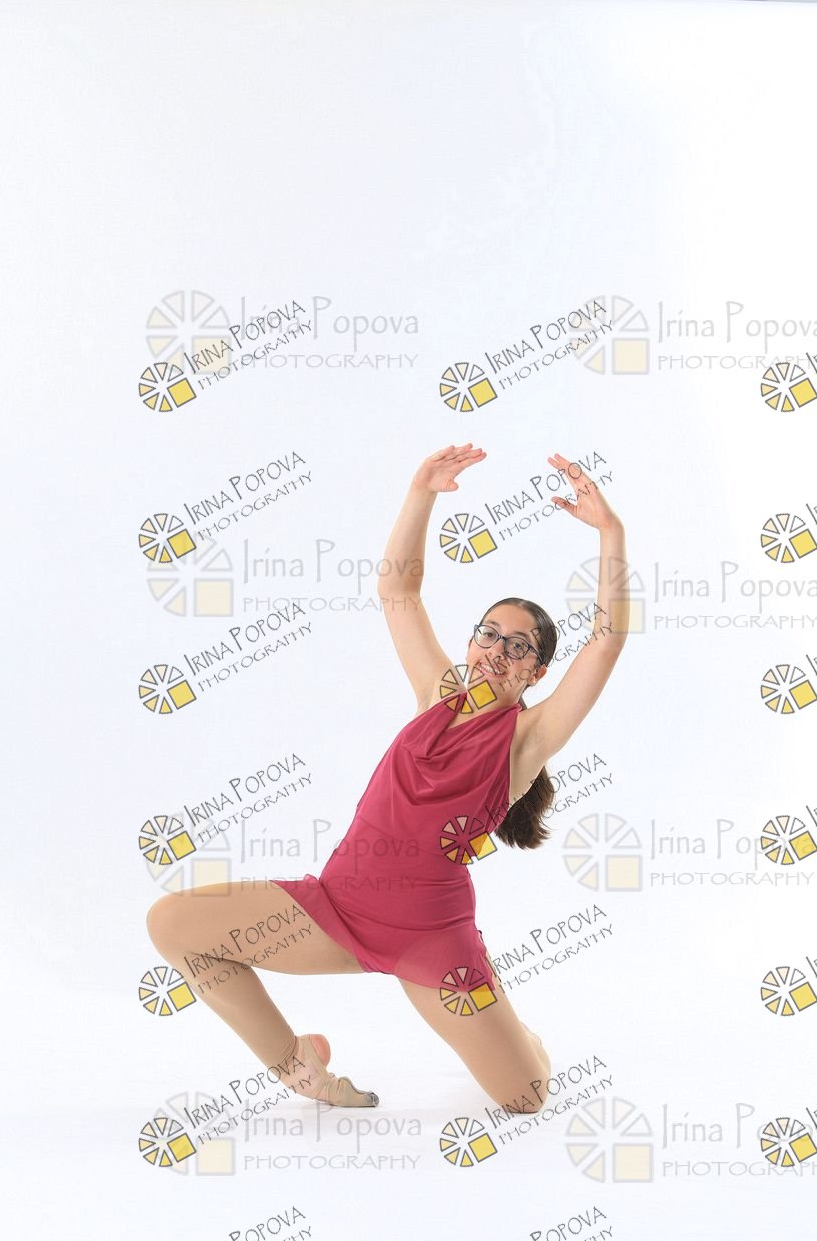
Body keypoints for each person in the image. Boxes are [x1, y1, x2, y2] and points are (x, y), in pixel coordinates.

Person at [145, 444, 629, 1113]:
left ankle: (519, 1035)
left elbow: (606, 639)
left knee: (526, 1096)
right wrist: (422, 492)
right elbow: (398, 592)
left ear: (536, 672)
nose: (497, 650)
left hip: (432, 940)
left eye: (518, 645)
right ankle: (302, 1069)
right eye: (488, 634)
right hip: (336, 911)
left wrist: (610, 533)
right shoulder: (438, 695)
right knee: (174, 925)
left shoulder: (526, 740)